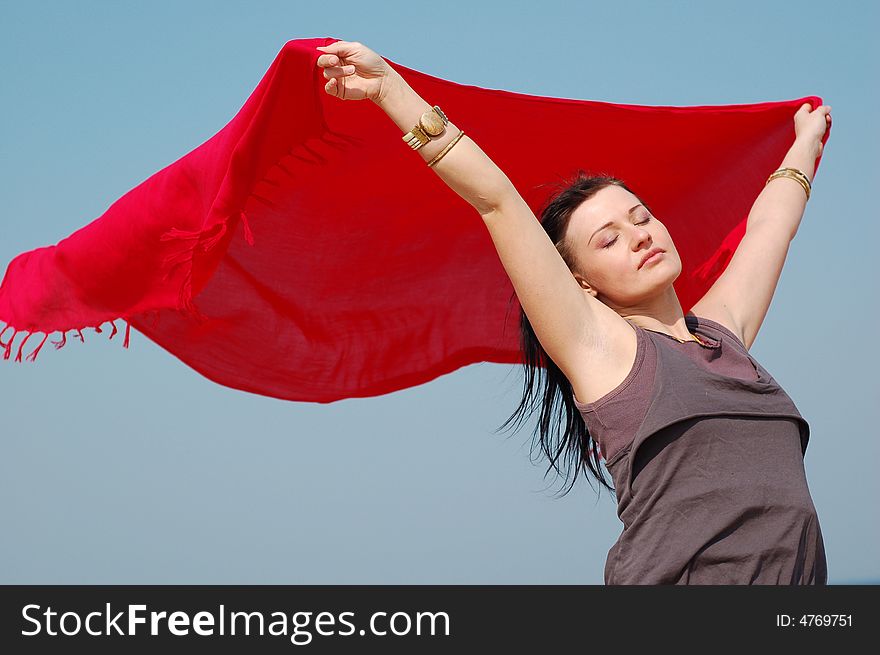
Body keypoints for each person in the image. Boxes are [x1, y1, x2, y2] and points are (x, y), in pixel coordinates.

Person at [315, 40, 831, 584]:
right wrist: (389, 89)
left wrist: (805, 141)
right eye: (608, 240)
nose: (639, 237)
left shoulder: (724, 334)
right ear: (580, 282)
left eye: (642, 217)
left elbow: (773, 224)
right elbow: (496, 199)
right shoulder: (604, 352)